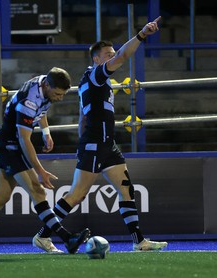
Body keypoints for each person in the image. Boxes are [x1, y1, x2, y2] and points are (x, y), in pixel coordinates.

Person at [32, 17, 168, 253]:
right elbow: (123, 57)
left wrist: (82, 142)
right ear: (96, 59)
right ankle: (42, 236)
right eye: (108, 54)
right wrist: (142, 35)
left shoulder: (96, 82)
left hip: (106, 145)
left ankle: (139, 241)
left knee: (126, 190)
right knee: (76, 195)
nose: (112, 57)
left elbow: (83, 117)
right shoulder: (95, 76)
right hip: (95, 144)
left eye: (111, 53)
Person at [0, 67, 90, 259]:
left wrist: (46, 132)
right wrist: (40, 170)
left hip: (10, 145)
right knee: (37, 190)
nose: (60, 98)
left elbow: (43, 108)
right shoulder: (28, 101)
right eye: (57, 94)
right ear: (47, 85)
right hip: (11, 146)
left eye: (62, 95)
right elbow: (24, 140)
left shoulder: (43, 83)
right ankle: (66, 238)